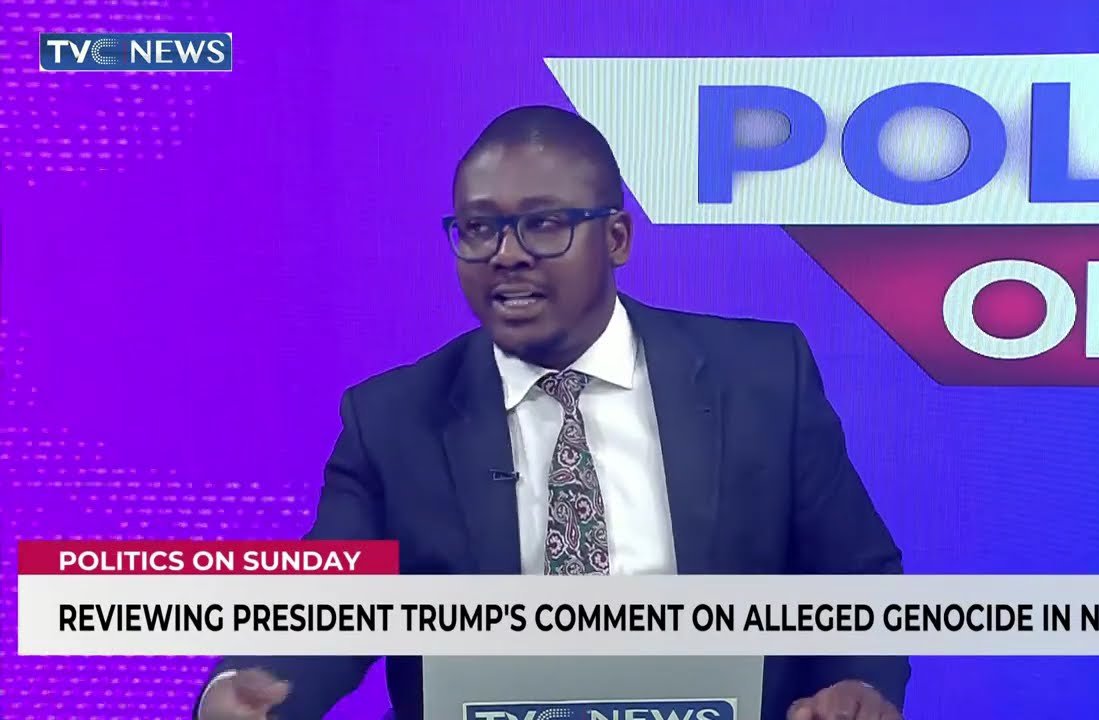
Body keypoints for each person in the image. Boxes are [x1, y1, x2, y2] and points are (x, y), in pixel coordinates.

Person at [196, 105, 909, 720]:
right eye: (479, 228)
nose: (506, 255)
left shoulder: (760, 377)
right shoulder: (393, 419)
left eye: (543, 225)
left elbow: (854, 577)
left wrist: (859, 683)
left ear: (617, 238)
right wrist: (245, 687)